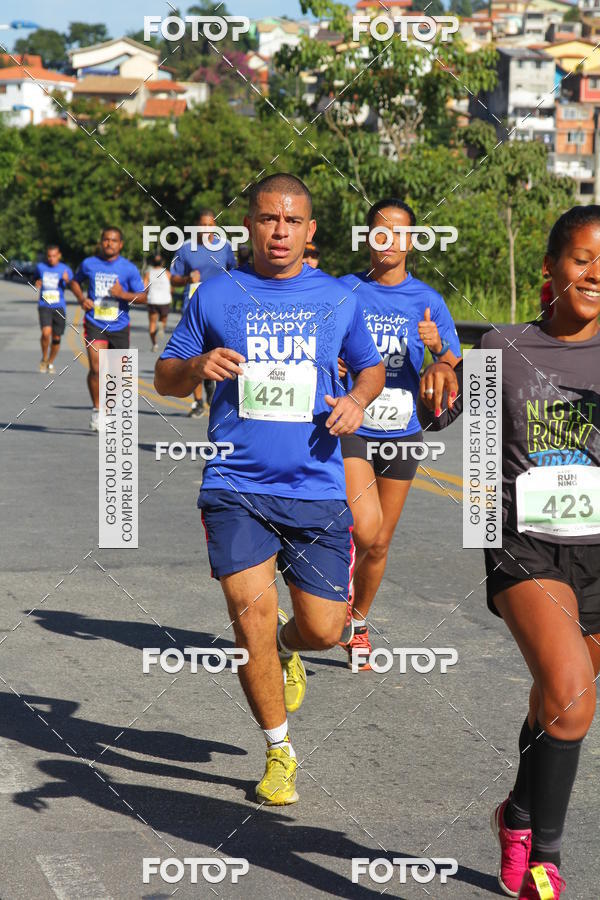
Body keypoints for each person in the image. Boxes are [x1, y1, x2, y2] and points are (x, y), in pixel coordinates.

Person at [155, 173, 385, 806]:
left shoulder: (338, 298)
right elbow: (166, 377)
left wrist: (359, 401)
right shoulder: (215, 295)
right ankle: (279, 749)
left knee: (325, 628)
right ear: (249, 227)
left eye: (291, 221)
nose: (278, 231)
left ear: (310, 232)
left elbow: (371, 365)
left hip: (315, 486)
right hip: (235, 485)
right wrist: (196, 367)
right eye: (266, 219)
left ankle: (290, 648)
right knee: (249, 618)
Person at [418, 205, 600, 899]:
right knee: (575, 699)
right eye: (581, 258)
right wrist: (438, 387)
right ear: (552, 266)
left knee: (558, 700)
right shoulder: (503, 345)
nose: (594, 274)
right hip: (525, 547)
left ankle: (517, 811)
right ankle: (546, 862)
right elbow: (450, 415)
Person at [337, 198, 461, 670]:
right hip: (353, 424)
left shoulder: (427, 300)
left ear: (412, 241)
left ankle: (358, 621)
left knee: (380, 542)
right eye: (379, 232)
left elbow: (450, 364)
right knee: (362, 527)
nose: (388, 241)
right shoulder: (345, 291)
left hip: (403, 429)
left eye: (399, 233)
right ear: (368, 238)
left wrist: (438, 353)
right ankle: (323, 594)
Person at [69, 227, 146, 431]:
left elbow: (144, 297)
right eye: (106, 240)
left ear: (120, 244)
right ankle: (97, 410)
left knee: (117, 375)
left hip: (120, 325)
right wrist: (81, 298)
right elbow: (74, 282)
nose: (109, 243)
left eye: (113, 240)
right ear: (100, 242)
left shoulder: (128, 268)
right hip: (95, 322)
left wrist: (123, 294)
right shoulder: (89, 264)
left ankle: (109, 409)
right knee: (96, 368)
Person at [170, 208, 237, 417]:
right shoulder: (185, 249)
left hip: (220, 309)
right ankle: (198, 401)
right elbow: (173, 278)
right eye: (202, 224)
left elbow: (235, 274)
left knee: (220, 354)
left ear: (215, 227)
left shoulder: (225, 248)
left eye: (210, 225)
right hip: (192, 307)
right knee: (194, 356)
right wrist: (187, 279)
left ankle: (214, 390)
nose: (206, 229)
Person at [34, 245, 74, 374]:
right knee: (46, 333)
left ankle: (50, 362)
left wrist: (68, 281)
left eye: (54, 256)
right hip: (44, 305)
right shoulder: (40, 267)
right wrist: (37, 282)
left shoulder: (65, 269)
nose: (51, 259)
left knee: (56, 337)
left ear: (59, 255)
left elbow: (73, 284)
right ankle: (44, 358)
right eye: (49, 256)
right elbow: (36, 278)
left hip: (59, 306)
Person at [144, 253, 172, 352]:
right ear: (162, 262)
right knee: (163, 320)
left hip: (153, 300)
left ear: (152, 262)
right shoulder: (167, 273)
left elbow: (144, 288)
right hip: (164, 300)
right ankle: (161, 326)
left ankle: (155, 344)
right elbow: (171, 287)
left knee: (152, 323)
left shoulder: (148, 273)